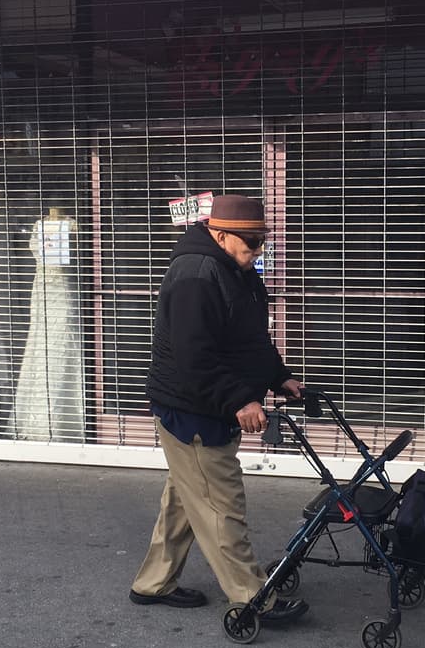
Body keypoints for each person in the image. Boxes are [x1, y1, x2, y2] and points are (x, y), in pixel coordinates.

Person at [129, 194, 309, 625]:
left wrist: (277, 376)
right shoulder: (195, 276)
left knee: (185, 500)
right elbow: (196, 358)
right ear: (220, 233)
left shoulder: (236, 269)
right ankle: (254, 599)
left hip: (201, 405)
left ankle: (152, 583)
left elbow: (250, 338)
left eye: (262, 243)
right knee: (220, 505)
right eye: (250, 244)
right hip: (192, 411)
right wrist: (238, 400)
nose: (257, 252)